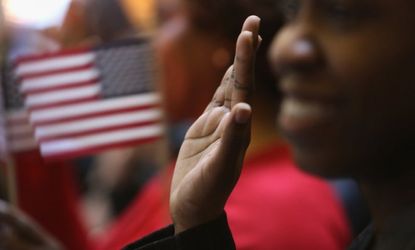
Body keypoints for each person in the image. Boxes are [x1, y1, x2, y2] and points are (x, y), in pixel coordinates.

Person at [123, 0, 415, 249]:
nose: (283, 48)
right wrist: (198, 229)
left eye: (341, 12)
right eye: (292, 12)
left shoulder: (278, 210)